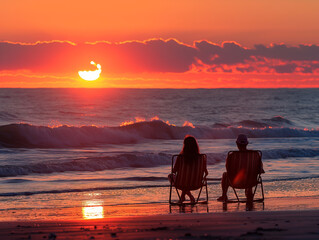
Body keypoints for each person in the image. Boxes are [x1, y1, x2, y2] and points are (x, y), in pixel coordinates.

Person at [217, 134, 264, 202]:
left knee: (225, 174)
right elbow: (260, 169)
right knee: (250, 173)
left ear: (237, 143)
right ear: (247, 143)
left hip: (236, 182)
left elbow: (228, 169)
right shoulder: (255, 154)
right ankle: (249, 192)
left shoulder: (232, 155)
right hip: (251, 182)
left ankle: (224, 195)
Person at [169, 135, 208, 204]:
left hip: (181, 183)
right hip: (197, 184)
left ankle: (185, 197)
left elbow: (174, 171)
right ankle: (187, 196)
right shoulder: (202, 158)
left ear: (185, 145)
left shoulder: (180, 157)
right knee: (187, 181)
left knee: (170, 176)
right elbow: (206, 172)